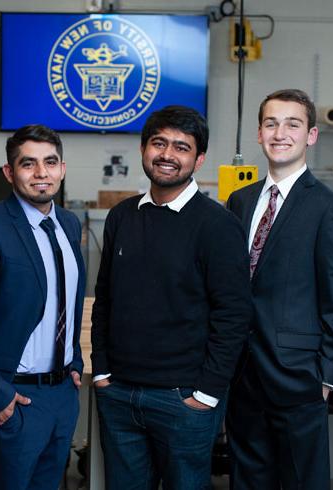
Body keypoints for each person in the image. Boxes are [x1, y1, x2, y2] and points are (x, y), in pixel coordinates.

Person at [91, 105, 252, 490]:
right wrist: (101, 371)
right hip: (120, 394)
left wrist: (208, 393)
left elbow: (234, 315)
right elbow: (105, 299)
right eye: (159, 143)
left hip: (183, 400)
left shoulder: (218, 225)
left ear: (198, 160)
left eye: (181, 147)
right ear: (144, 149)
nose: (167, 154)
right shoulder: (122, 217)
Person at [0, 124, 86, 490]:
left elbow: (65, 300)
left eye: (50, 162)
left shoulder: (69, 225)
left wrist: (74, 361)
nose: (41, 173)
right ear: (10, 172)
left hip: (62, 396)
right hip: (16, 398)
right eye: (29, 164)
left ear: (62, 168)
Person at [226, 89, 333, 490]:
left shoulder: (329, 208)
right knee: (247, 480)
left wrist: (328, 377)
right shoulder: (239, 201)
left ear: (311, 135)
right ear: (259, 134)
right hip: (242, 375)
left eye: (292, 123)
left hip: (300, 378)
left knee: (301, 481)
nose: (280, 133)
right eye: (271, 123)